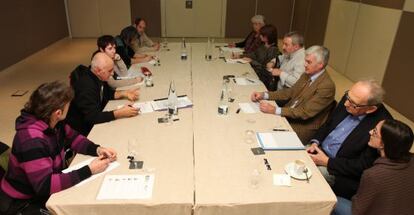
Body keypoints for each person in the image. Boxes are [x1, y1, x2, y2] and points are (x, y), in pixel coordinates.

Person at [0, 81, 117, 215]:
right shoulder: (31, 140)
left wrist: (97, 149)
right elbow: (45, 186)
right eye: (68, 106)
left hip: (42, 187)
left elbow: (74, 138)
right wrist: (89, 170)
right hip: (22, 202)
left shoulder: (53, 122)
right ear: (58, 112)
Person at [306, 80, 392, 199]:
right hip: (318, 149)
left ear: (370, 109)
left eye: (353, 103)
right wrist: (315, 142)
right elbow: (328, 123)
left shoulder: (381, 127)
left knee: (305, 179)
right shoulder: (350, 99)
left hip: (337, 169)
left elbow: (362, 166)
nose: (346, 103)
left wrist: (327, 161)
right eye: (348, 97)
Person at [251, 45, 335, 143]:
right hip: (290, 113)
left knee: (266, 137)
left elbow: (304, 112)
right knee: (257, 122)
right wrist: (265, 95)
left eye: (309, 62)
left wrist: (275, 110)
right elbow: (289, 93)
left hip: (302, 125)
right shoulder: (306, 75)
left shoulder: (327, 86)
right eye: (305, 61)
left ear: (320, 65)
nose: (305, 65)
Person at [332, 119, 414, 215]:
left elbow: (357, 211)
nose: (370, 132)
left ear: (383, 144)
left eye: (375, 132)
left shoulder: (373, 174)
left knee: (335, 201)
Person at [66, 52, 140, 136]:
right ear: (98, 70)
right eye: (110, 71)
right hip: (83, 130)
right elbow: (92, 117)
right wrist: (120, 113)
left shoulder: (97, 75)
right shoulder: (86, 86)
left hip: (93, 119)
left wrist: (124, 93)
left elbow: (106, 93)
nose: (112, 73)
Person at [233, 24, 280, 90]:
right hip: (255, 72)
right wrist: (240, 56)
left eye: (262, 34)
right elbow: (254, 54)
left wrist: (252, 61)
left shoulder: (273, 50)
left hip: (262, 79)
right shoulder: (263, 45)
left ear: (268, 36)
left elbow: (266, 69)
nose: (260, 36)